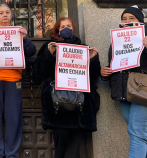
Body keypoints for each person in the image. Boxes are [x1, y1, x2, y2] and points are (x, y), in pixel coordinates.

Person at [100, 6, 147, 158]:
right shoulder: (117, 41)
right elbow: (118, 66)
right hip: (124, 94)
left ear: (140, 20)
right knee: (144, 134)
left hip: (146, 91)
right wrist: (105, 73)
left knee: (137, 134)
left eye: (131, 18)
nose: (127, 21)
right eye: (124, 18)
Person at [35, 17, 100, 158]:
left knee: (73, 152)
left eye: (68, 26)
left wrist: (93, 59)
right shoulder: (50, 47)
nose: (66, 29)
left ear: (73, 29)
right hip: (58, 107)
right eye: (62, 26)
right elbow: (38, 73)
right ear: (57, 30)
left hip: (79, 109)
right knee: (60, 151)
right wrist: (49, 54)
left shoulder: (83, 48)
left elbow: (94, 75)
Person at [0, 3, 36, 158]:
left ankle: (11, 153)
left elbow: (31, 52)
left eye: (7, 12)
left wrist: (25, 39)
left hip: (13, 79)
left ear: (11, 16)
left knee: (13, 118)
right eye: (1, 13)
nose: (5, 15)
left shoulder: (18, 32)